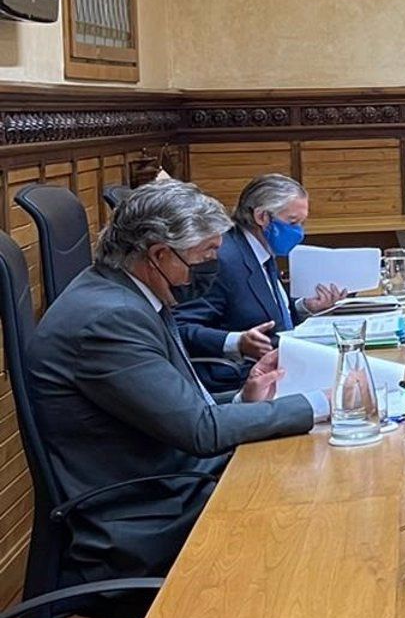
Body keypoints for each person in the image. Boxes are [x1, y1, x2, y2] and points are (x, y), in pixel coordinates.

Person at [27, 181, 320, 581]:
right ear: (159, 254)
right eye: (206, 256)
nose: (210, 270)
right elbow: (199, 431)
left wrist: (242, 397)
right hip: (148, 510)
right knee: (306, 511)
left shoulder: (131, 292)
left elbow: (181, 405)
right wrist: (323, 403)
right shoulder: (109, 319)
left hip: (171, 478)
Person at [175, 173, 346, 391]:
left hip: (282, 363)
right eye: (292, 222)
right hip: (242, 378)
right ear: (262, 217)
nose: (299, 232)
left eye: (301, 223)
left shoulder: (262, 250)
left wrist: (306, 307)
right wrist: (236, 342)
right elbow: (179, 327)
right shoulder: (223, 259)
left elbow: (267, 312)